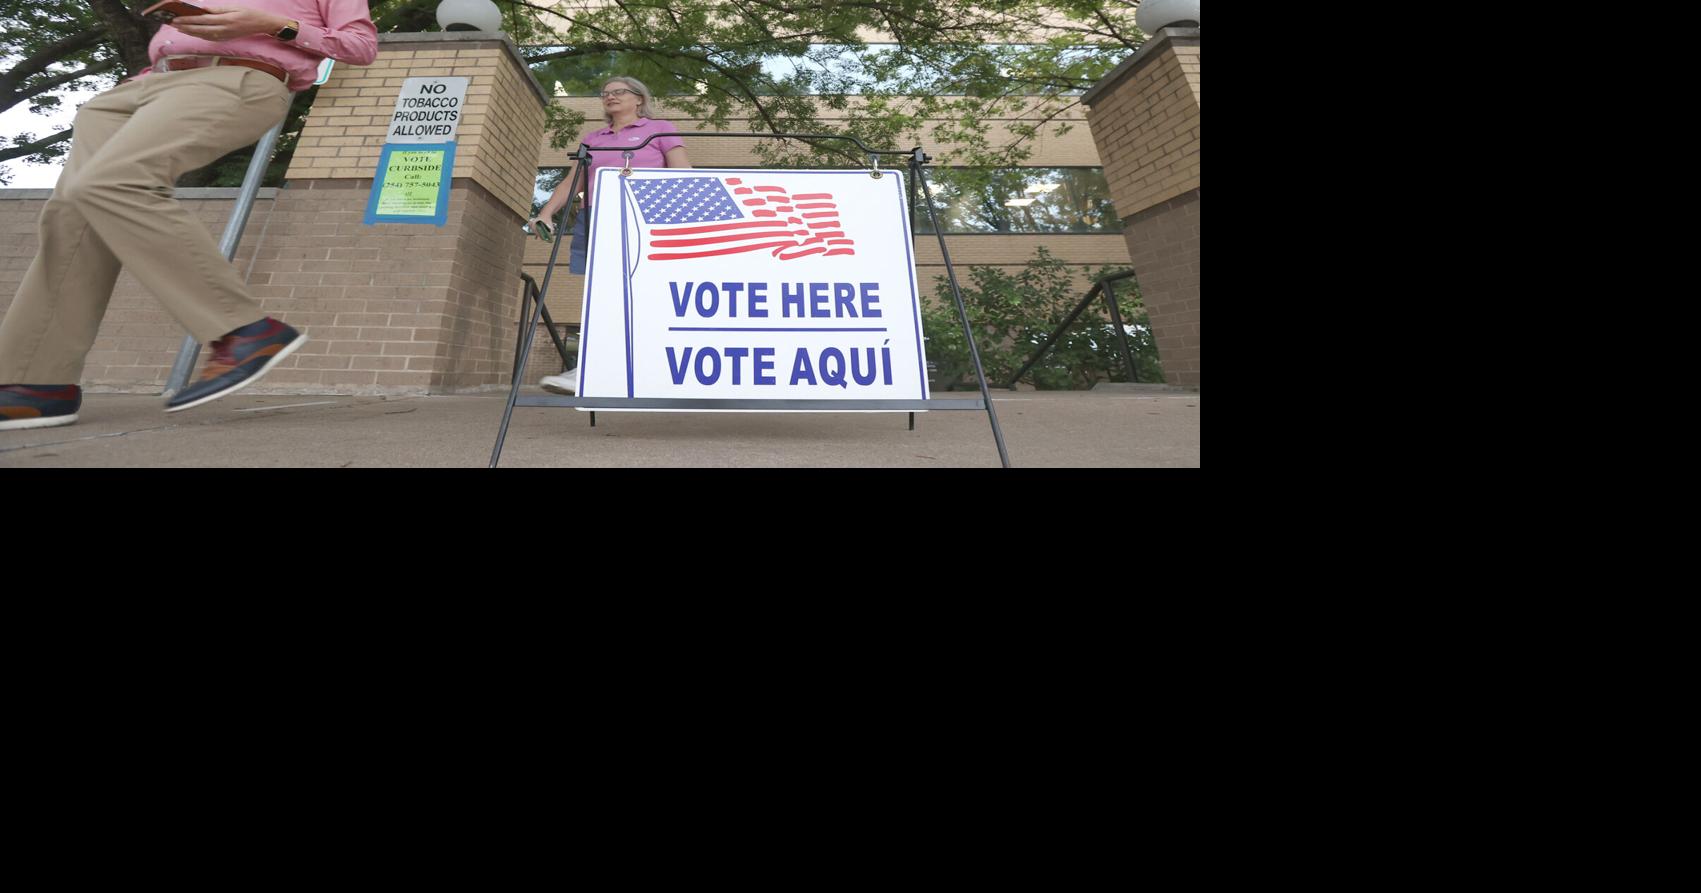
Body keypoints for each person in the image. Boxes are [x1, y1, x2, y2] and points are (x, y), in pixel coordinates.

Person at [0, 2, 378, 431]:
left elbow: (360, 46)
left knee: (112, 183)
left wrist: (273, 25)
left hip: (233, 77)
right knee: (70, 217)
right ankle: (36, 385)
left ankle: (244, 330)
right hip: (142, 86)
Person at [526, 76, 691, 396]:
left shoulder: (660, 129)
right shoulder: (593, 138)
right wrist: (546, 213)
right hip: (598, 218)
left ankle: (645, 366)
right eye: (605, 93)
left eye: (619, 92)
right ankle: (591, 368)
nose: (610, 96)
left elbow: (683, 174)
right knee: (600, 292)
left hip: (643, 217)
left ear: (639, 98)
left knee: (642, 293)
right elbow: (572, 182)